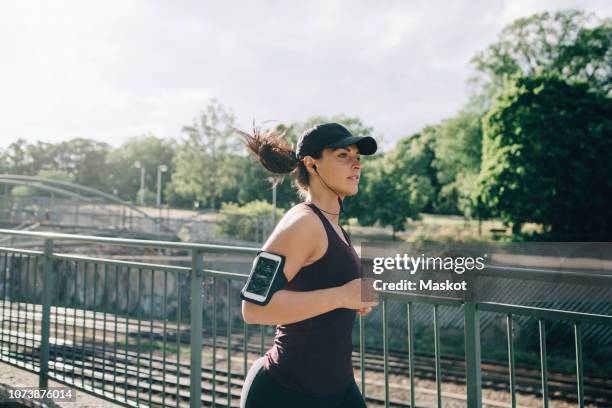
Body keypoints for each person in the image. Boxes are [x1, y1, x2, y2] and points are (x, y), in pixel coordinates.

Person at [237, 122, 380, 408]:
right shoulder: (303, 222)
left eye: (358, 158)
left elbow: (321, 284)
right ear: (312, 164)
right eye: (343, 155)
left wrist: (350, 299)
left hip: (336, 386)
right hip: (287, 392)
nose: (356, 165)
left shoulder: (334, 225)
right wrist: (340, 296)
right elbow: (253, 308)